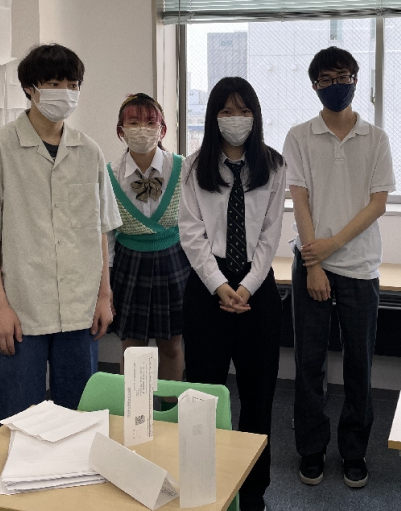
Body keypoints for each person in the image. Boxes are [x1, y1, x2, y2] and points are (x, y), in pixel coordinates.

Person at [0, 43, 121, 428]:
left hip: (79, 309)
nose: (65, 92)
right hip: (19, 309)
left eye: (73, 85)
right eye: (54, 83)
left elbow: (99, 229)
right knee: (15, 420)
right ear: (30, 87)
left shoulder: (89, 152)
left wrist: (104, 296)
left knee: (79, 419)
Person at [284, 46, 396, 490]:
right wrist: (315, 263)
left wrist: (332, 245)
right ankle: (311, 448)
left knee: (359, 365)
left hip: (360, 267)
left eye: (344, 76)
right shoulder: (299, 136)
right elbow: (301, 200)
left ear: (356, 79)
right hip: (312, 264)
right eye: (327, 79)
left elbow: (378, 203)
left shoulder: (376, 138)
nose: (337, 85)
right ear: (315, 85)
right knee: (309, 362)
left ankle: (354, 451)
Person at [179, 77, 286, 511]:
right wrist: (220, 285)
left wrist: (245, 287)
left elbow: (270, 235)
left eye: (243, 110)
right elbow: (191, 233)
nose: (235, 119)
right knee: (202, 395)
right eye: (226, 111)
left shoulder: (273, 165)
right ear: (213, 117)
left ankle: (253, 491)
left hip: (256, 289)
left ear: (255, 116)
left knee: (258, 397)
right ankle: (201, 482)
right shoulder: (193, 167)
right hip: (208, 289)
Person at [106, 93, 189, 381]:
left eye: (150, 122)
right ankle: (134, 406)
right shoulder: (110, 174)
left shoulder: (182, 168)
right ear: (121, 130)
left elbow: (195, 222)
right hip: (128, 264)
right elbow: (107, 235)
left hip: (174, 262)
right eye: (133, 122)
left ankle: (170, 405)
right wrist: (105, 283)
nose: (142, 128)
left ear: (162, 129)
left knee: (172, 346)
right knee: (132, 347)